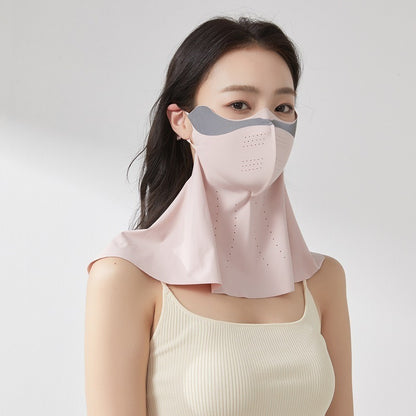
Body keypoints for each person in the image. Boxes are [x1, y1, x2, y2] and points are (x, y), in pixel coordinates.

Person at [84, 16, 354, 415]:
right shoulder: (128, 276)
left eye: (282, 107)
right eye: (239, 105)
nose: (267, 124)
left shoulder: (323, 279)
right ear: (182, 121)